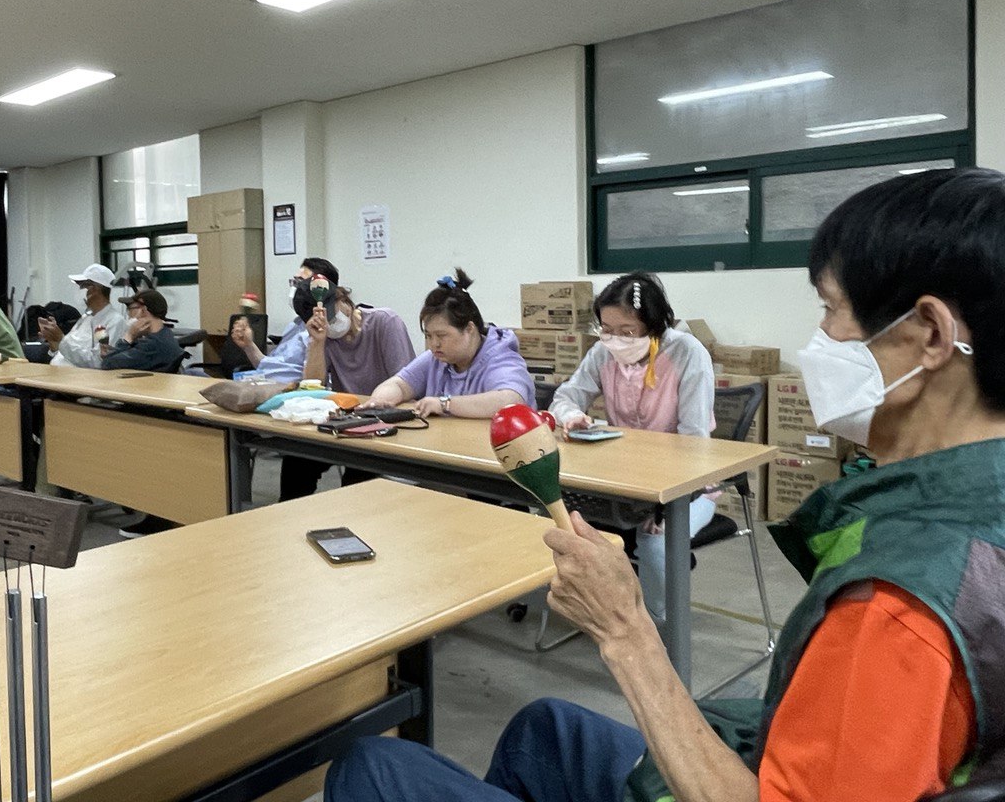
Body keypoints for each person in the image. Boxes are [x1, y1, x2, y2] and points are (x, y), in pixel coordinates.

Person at [326, 167, 1005, 802]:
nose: (819, 338)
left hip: (682, 516)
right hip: (757, 727)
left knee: (371, 765)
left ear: (928, 335)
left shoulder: (896, 610)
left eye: (831, 310)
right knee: (544, 729)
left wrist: (624, 629)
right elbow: (566, 395)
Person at [548, 272, 715, 625]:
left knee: (656, 545)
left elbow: (694, 442)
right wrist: (573, 416)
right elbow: (564, 397)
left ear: (654, 325)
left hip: (685, 488)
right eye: (606, 328)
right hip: (622, 483)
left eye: (627, 331)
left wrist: (666, 503)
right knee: (563, 523)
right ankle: (601, 609)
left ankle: (656, 626)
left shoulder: (686, 354)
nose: (615, 339)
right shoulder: (603, 353)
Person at [280, 277, 416, 501]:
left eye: (333, 316)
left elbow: (407, 384)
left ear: (343, 299)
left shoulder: (386, 323)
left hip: (386, 420)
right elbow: (313, 388)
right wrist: (317, 342)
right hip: (349, 423)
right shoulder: (325, 339)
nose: (332, 324)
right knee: (297, 462)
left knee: (357, 479)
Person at [364, 269, 535, 416]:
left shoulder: (501, 357)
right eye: (428, 336)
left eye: (441, 335)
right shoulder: (436, 359)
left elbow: (511, 401)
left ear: (469, 328)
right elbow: (399, 385)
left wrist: (444, 404)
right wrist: (379, 401)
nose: (434, 344)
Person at [228, 257, 338, 383]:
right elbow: (272, 367)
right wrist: (248, 345)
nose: (295, 288)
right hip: (267, 385)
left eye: (300, 282)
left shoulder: (324, 330)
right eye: (294, 282)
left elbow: (314, 382)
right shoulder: (296, 324)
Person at [40, 263, 128, 367]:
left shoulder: (114, 321)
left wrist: (61, 339)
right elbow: (67, 354)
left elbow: (97, 362)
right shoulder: (86, 317)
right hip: (59, 374)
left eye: (82, 285)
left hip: (81, 379)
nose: (79, 289)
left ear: (95, 289)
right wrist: (55, 344)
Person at [101, 288, 185, 372]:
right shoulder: (164, 334)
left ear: (143, 310)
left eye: (130, 309)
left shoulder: (152, 345)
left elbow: (108, 365)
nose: (129, 316)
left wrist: (128, 336)